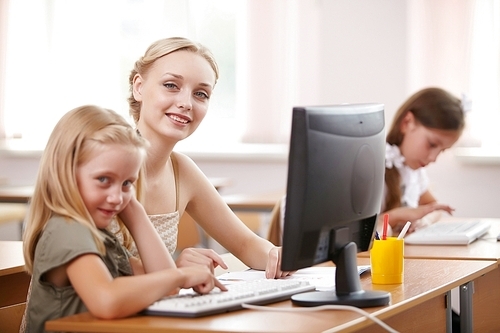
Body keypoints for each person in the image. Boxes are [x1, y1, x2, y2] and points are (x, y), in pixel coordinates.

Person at [22, 105, 225, 333]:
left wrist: (134, 212)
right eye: (103, 179)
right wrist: (181, 275)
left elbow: (166, 285)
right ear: (65, 173)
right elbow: (106, 300)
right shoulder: (67, 229)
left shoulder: (100, 235)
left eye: (127, 182)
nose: (117, 197)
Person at [122, 36, 290, 279]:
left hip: (150, 310)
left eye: (200, 94)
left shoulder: (182, 170)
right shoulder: (106, 166)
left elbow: (245, 244)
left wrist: (275, 254)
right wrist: (176, 271)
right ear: (139, 87)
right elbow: (100, 271)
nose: (186, 103)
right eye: (171, 85)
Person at [381, 87, 465, 236]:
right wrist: (398, 216)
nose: (433, 158)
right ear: (407, 122)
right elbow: (368, 233)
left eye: (442, 150)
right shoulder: (377, 168)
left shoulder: (413, 172)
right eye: (432, 144)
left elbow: (434, 208)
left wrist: (423, 220)